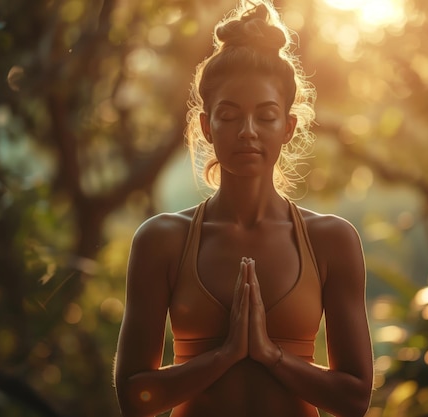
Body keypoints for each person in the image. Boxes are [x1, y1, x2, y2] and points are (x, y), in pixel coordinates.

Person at [114, 1, 374, 416]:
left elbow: (354, 398)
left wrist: (270, 354)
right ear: (206, 126)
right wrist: (225, 355)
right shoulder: (162, 241)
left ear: (288, 127)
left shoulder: (331, 241)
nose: (248, 132)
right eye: (229, 115)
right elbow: (133, 397)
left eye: (266, 116)